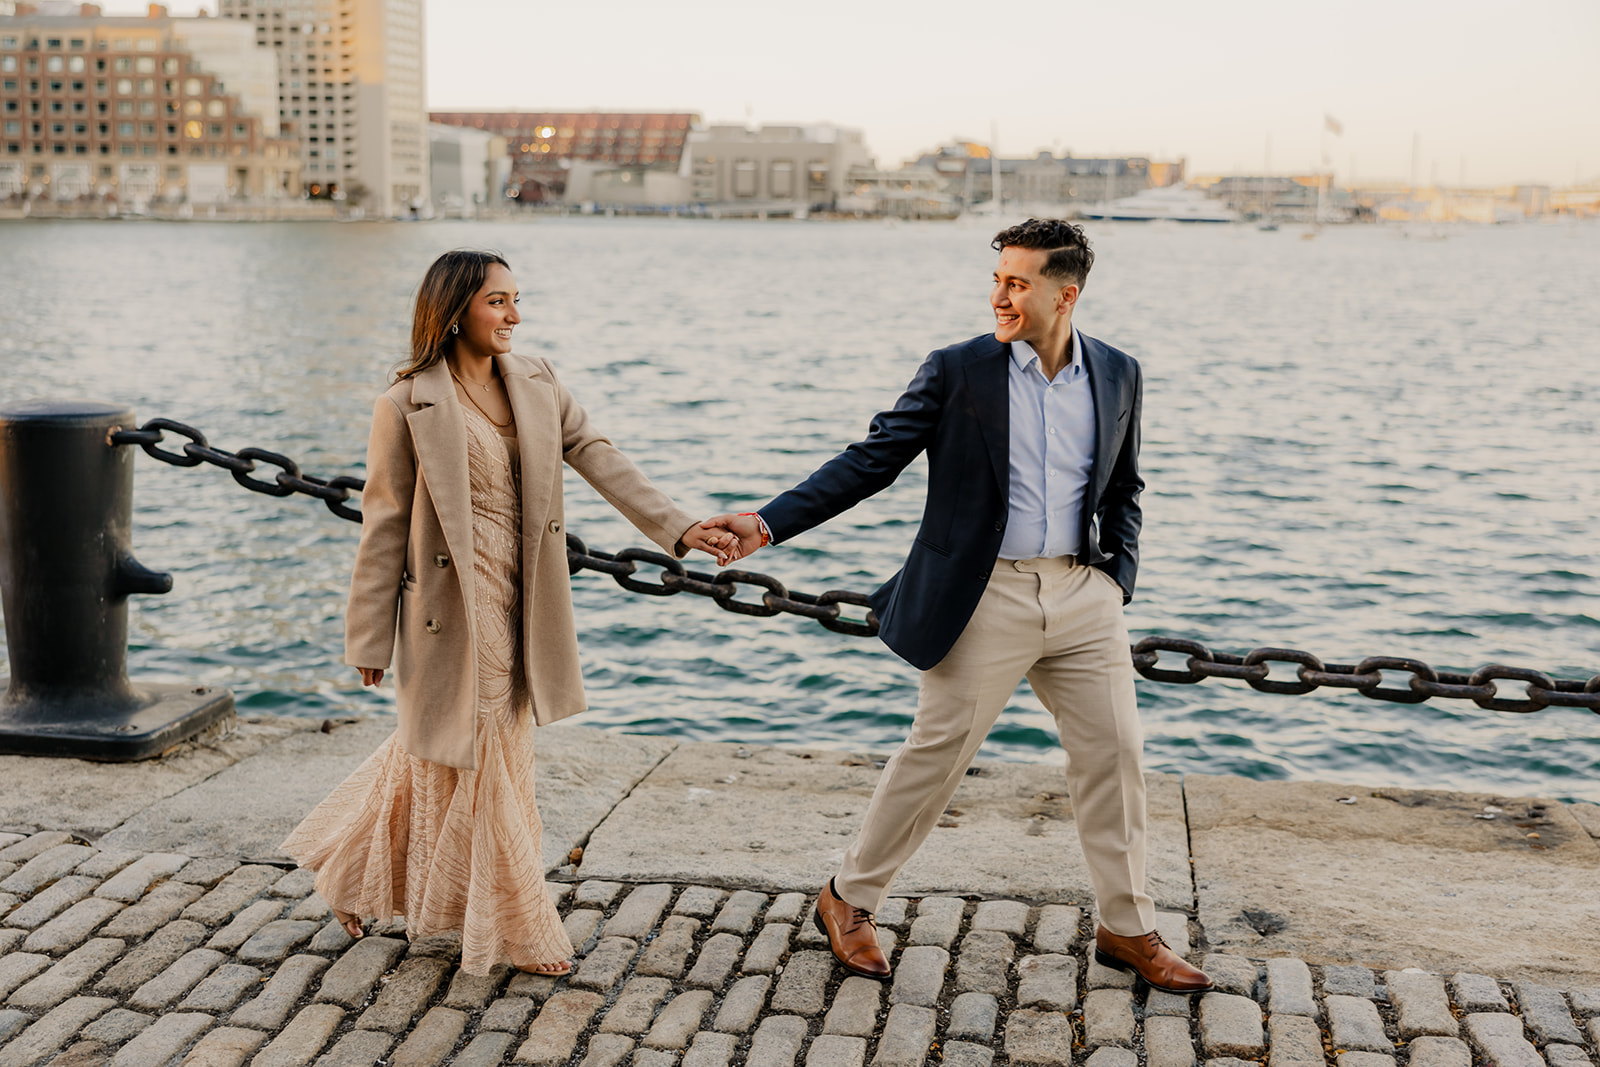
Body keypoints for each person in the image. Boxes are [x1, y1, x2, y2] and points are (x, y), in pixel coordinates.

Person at [704, 219, 1212, 994]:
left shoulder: (1118, 373)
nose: (998, 295)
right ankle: (849, 896)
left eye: (1018, 283)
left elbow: (1124, 487)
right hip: (985, 593)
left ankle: (1127, 925)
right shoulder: (957, 369)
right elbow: (871, 461)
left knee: (1116, 759)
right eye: (998, 279)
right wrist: (767, 522)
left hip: (1083, 594)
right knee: (936, 754)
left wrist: (1119, 578)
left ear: (1064, 293)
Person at [282, 249, 737, 977]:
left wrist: (679, 526)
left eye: (517, 300)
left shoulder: (537, 379)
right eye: (499, 302)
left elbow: (596, 452)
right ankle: (518, 925)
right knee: (483, 743)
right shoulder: (405, 403)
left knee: (447, 746)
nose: (515, 316)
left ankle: (351, 867)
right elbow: (384, 523)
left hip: (528, 599)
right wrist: (368, 634)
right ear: (456, 307)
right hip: (451, 606)